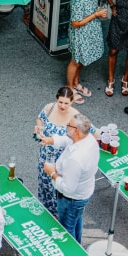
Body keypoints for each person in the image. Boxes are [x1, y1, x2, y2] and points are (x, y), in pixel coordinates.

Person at [43, 113, 99, 243]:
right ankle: (78, 244)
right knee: (76, 219)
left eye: (69, 125)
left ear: (77, 131)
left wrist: (52, 173)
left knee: (67, 229)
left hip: (71, 199)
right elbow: (68, 140)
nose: (66, 126)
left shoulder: (76, 159)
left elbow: (68, 189)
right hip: (83, 193)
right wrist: (50, 140)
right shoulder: (88, 139)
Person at [33, 87, 81, 216]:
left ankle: (57, 214)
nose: (62, 106)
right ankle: (45, 210)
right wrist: (39, 127)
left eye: (66, 103)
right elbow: (40, 118)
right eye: (60, 102)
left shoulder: (75, 116)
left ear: (72, 102)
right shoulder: (50, 107)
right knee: (44, 183)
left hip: (62, 158)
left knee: (58, 186)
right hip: (45, 153)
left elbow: (78, 138)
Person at [67, 0, 108, 103]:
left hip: (89, 32)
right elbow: (75, 23)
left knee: (82, 60)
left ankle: (76, 82)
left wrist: (98, 12)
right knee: (75, 61)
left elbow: (91, 10)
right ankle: (70, 88)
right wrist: (95, 15)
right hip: (80, 34)